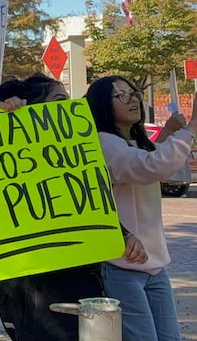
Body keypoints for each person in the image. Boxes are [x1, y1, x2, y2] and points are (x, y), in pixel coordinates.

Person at [0, 73, 147, 341]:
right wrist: (7, 117)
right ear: (33, 109)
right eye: (60, 99)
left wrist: (125, 236)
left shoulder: (76, 154)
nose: (70, 106)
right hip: (30, 285)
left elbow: (90, 202)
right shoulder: (10, 153)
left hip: (79, 278)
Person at [85, 75, 195, 340]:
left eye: (132, 92)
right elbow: (148, 166)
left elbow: (156, 165)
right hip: (120, 265)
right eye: (120, 95)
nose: (131, 99)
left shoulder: (130, 142)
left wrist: (170, 135)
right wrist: (191, 129)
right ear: (102, 105)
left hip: (153, 266)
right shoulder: (102, 141)